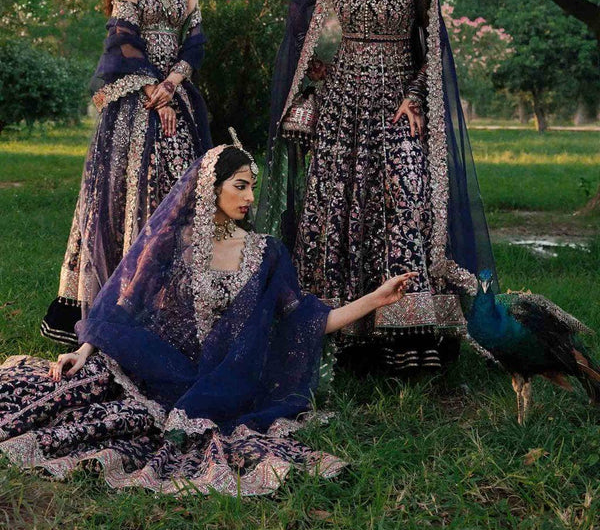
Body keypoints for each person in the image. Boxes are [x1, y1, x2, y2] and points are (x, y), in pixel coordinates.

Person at [0, 143, 416, 496]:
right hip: (161, 364)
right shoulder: (173, 242)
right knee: (78, 399)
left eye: (252, 187)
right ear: (210, 187)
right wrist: (84, 349)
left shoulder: (266, 253)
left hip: (224, 376)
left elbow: (304, 319)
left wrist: (375, 299)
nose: (249, 197)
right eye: (240, 185)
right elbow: (124, 305)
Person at [257, 0, 497, 374]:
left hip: (394, 108)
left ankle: (408, 334)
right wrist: (309, 92)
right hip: (341, 108)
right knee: (335, 208)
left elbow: (432, 54)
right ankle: (339, 335)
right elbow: (318, 41)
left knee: (401, 206)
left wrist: (414, 97)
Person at [41, 0, 212, 346]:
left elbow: (195, 40)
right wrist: (152, 89)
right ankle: (119, 303)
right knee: (125, 188)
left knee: (179, 187)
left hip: (174, 91)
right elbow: (123, 36)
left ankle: (171, 303)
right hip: (135, 95)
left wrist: (172, 84)